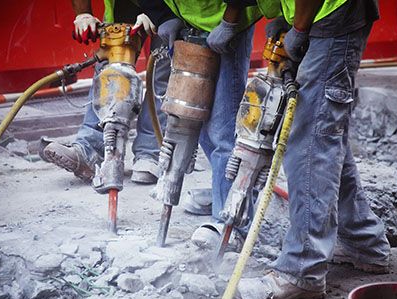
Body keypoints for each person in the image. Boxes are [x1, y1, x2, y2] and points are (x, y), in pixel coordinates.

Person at [235, 0, 391, 299]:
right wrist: (284, 18)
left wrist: (300, 27)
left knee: (310, 143)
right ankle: (363, 240)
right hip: (325, 15)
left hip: (332, 16)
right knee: (323, 133)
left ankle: (302, 269)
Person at [141, 0, 275, 247]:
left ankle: (230, 222)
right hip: (191, 19)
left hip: (230, 19)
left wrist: (230, 21)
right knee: (191, 115)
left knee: (223, 128)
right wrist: (162, 14)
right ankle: (221, 193)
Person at [42, 0, 169, 184]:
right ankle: (89, 150)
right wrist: (83, 14)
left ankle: (150, 154)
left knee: (163, 68)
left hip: (170, 6)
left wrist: (159, 11)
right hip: (123, 6)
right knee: (108, 68)